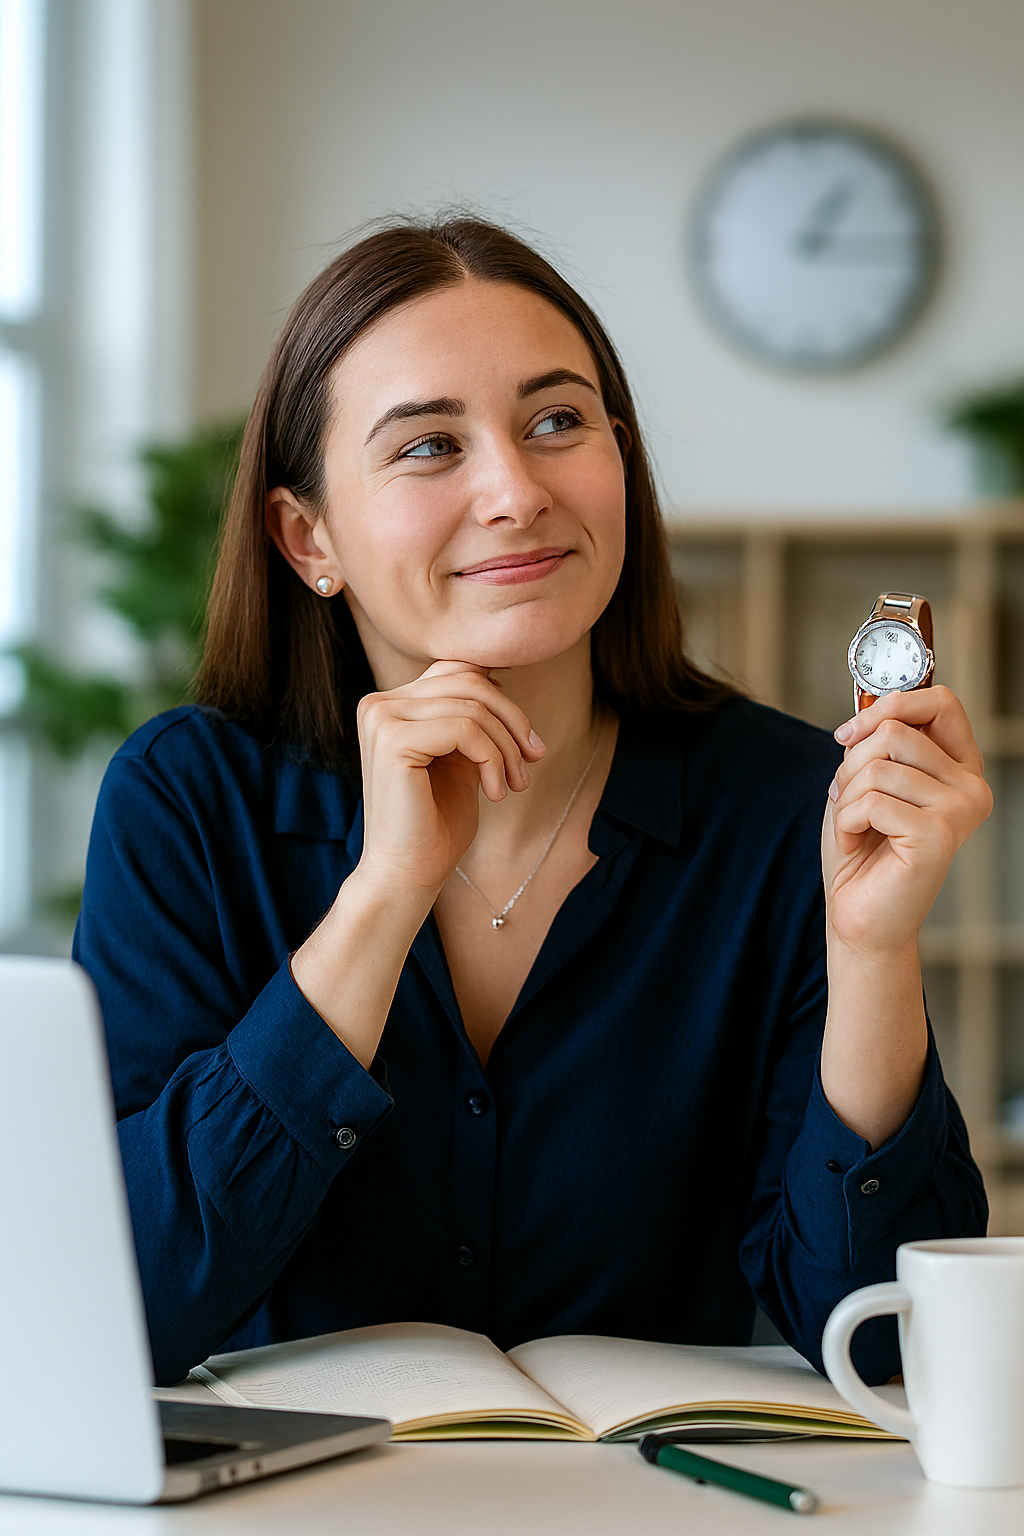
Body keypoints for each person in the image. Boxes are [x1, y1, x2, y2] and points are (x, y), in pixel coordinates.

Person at [74, 218, 990, 1389]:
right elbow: (118, 1313)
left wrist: (871, 951)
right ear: (308, 537)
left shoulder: (782, 806)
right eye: (426, 447)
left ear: (619, 458)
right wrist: (381, 900)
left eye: (557, 422)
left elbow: (887, 1342)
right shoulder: (186, 803)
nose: (514, 490)